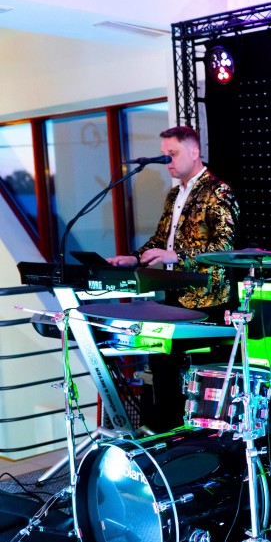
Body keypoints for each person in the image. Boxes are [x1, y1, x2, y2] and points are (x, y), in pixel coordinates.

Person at [108, 125, 239, 431]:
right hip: (173, 295)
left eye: (173, 153)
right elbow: (160, 240)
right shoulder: (174, 194)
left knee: (198, 375)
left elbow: (225, 247)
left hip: (208, 300)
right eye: (164, 154)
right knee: (161, 361)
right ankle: (166, 434)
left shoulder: (218, 190)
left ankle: (193, 436)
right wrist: (135, 258)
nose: (166, 160)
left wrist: (176, 255)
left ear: (194, 152)